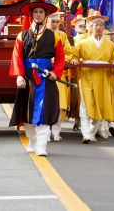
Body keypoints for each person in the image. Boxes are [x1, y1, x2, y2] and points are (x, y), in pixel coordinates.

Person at [9, 0, 65, 156]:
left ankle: (41, 145)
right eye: (36, 12)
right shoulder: (22, 35)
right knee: (27, 114)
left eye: (41, 12)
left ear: (45, 15)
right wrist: (19, 76)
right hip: (27, 78)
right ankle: (32, 140)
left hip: (46, 78)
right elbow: (16, 57)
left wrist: (56, 72)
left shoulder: (54, 37)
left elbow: (60, 58)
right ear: (31, 15)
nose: (38, 15)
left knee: (44, 112)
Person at [70, 11, 114, 143]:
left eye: (101, 25)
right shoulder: (82, 43)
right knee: (85, 105)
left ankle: (91, 132)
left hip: (103, 77)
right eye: (95, 25)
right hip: (87, 75)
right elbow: (75, 55)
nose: (98, 27)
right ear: (90, 28)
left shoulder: (109, 45)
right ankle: (86, 134)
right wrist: (75, 60)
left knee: (100, 105)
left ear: (104, 28)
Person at [46, 12, 74, 141]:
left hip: (58, 71)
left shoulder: (62, 35)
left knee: (60, 103)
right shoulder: (40, 33)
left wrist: (60, 61)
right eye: (53, 22)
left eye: (57, 22)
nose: (55, 24)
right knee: (45, 103)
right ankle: (45, 131)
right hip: (43, 71)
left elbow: (68, 52)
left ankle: (56, 132)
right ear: (47, 21)